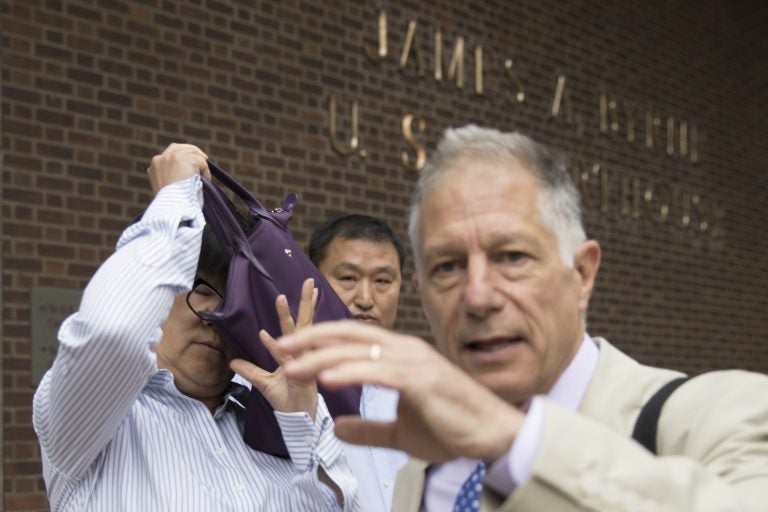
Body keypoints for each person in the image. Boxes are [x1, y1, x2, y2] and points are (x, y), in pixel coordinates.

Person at [276, 125, 768, 511]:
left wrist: (519, 444)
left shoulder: (722, 417)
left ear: (583, 273)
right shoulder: (424, 475)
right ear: (422, 295)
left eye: (511, 257)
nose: (479, 296)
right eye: (447, 266)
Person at [33, 143, 362, 511]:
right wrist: (173, 202)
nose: (215, 315)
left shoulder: (270, 423)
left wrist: (302, 423)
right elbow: (111, 331)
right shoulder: (97, 418)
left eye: (234, 300)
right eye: (199, 288)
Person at [308, 214, 409, 511]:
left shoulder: (421, 391)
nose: (365, 298)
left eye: (382, 281)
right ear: (311, 280)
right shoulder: (279, 384)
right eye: (348, 278)